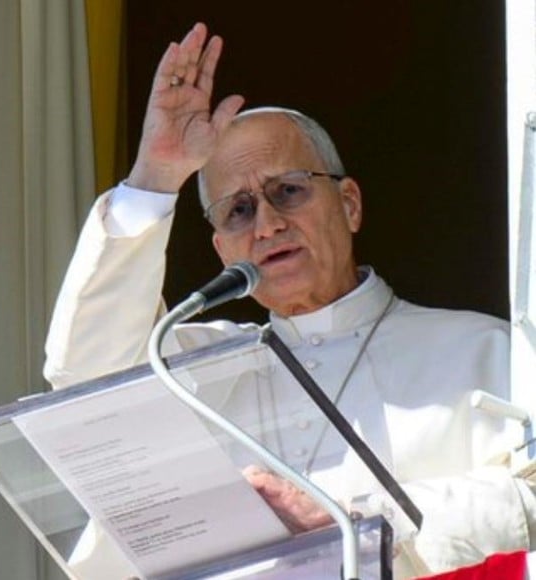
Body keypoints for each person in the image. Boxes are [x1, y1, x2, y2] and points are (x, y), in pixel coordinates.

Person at [43, 22, 536, 578]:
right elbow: (86, 375)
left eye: (289, 191)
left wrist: (358, 526)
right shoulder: (191, 371)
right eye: (239, 210)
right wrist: (155, 176)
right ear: (222, 249)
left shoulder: (491, 351)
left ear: (348, 204)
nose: (268, 224)